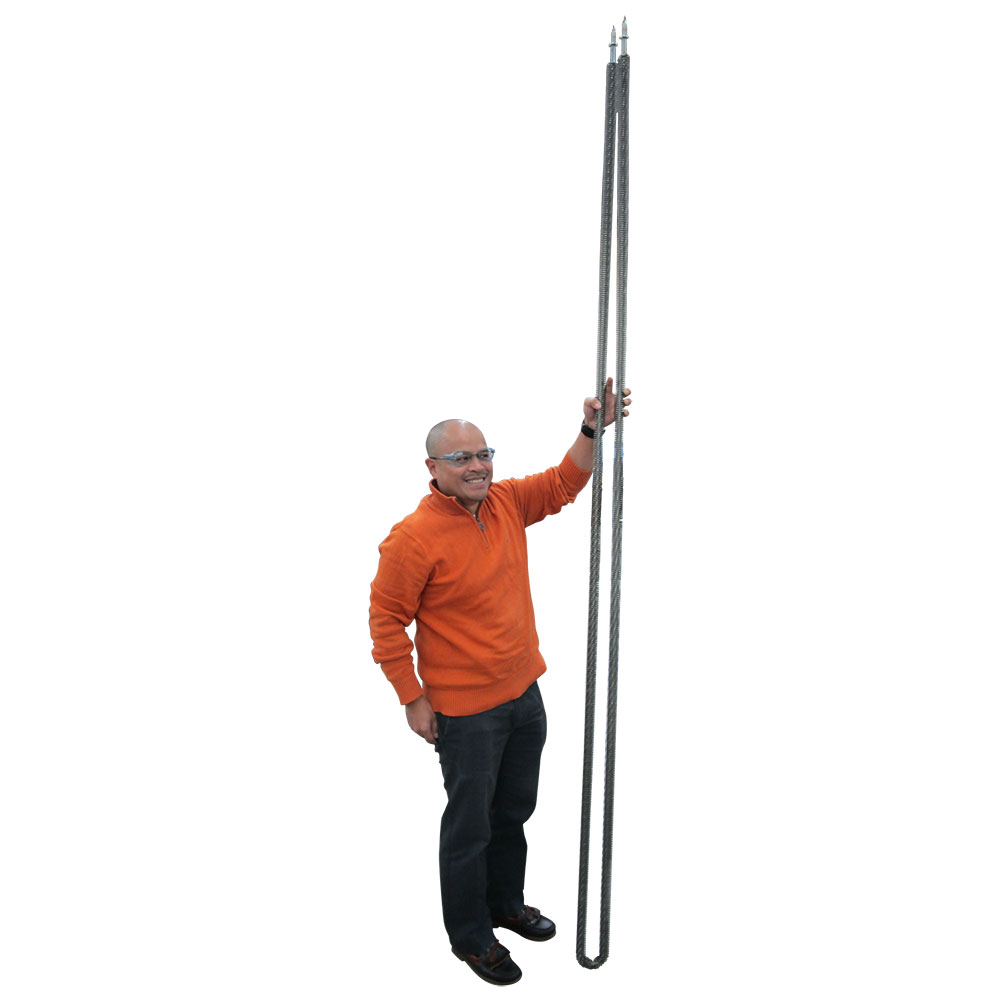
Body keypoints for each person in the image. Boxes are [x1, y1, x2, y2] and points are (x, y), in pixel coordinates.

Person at [369, 378, 631, 986]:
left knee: (513, 812)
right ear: (433, 468)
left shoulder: (506, 502)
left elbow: (564, 483)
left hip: (523, 697)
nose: (477, 466)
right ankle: (471, 938)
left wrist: (591, 430)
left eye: (484, 454)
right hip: (465, 714)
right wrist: (412, 698)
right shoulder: (412, 538)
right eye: (461, 457)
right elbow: (385, 621)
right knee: (471, 828)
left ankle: (505, 905)